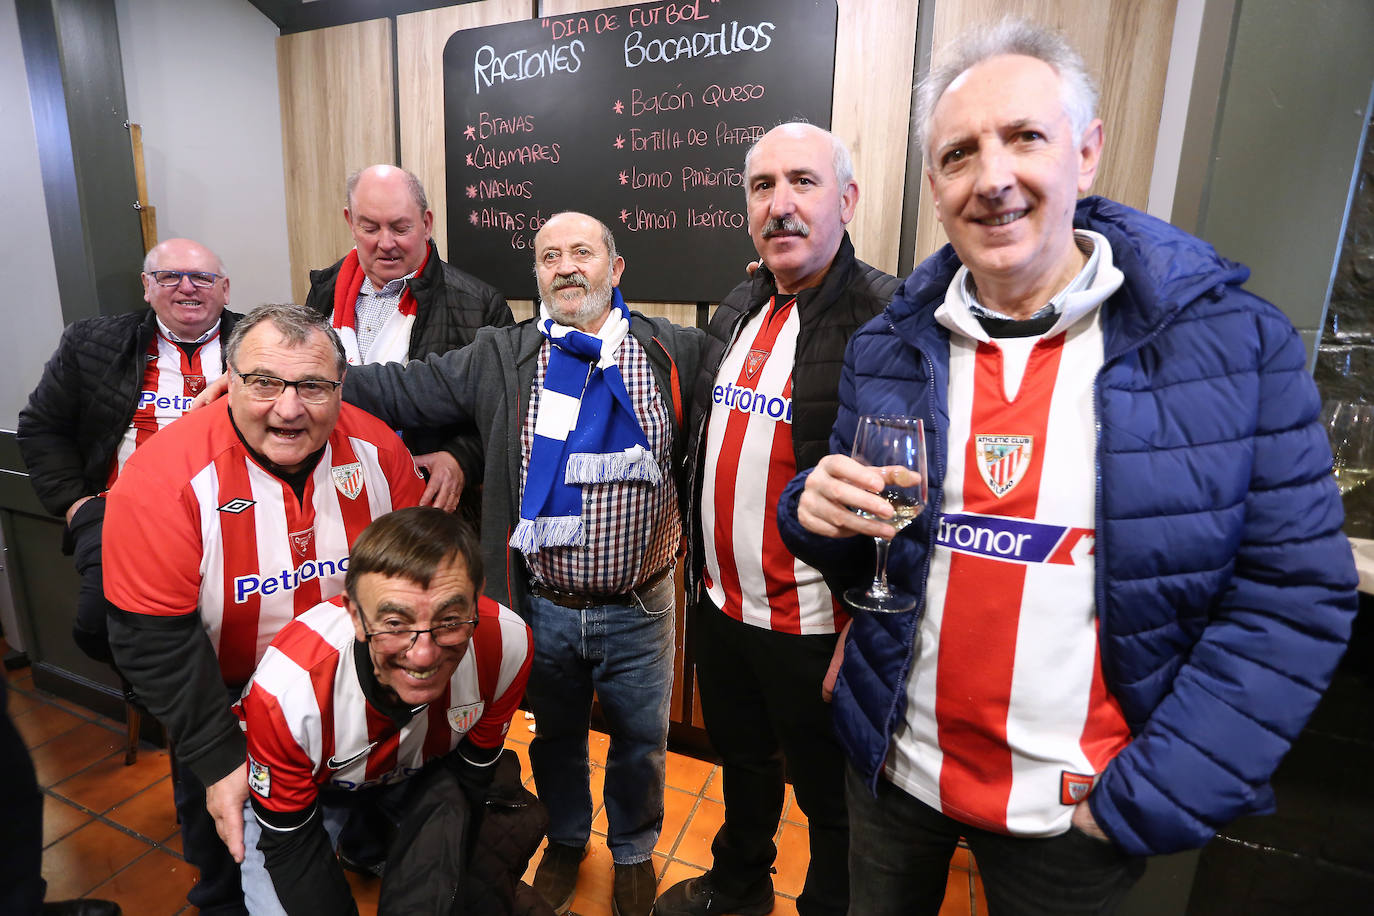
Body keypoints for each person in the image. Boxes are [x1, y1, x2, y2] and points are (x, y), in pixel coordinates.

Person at [778, 19, 1358, 916]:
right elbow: (874, 559)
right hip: (894, 774)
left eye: (1025, 138)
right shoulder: (889, 346)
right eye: (960, 154)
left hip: (1079, 813)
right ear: (935, 187)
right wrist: (812, 517)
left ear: (1085, 155)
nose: (994, 177)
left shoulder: (1230, 344)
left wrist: (1156, 795)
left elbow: (1293, 595)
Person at [337, 211, 703, 916]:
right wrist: (307, 376)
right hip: (545, 607)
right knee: (557, 738)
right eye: (548, 257)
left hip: (644, 605)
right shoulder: (501, 356)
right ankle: (566, 839)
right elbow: (400, 387)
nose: (565, 267)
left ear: (615, 269)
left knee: (640, 742)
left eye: (582, 253)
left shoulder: (674, 351)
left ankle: (632, 848)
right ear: (536, 276)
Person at [103, 304, 426, 915]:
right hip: (221, 706)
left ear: (340, 387)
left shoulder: (378, 450)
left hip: (356, 699)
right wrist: (219, 760)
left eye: (312, 385)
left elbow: (421, 580)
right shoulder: (161, 478)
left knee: (343, 842)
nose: (289, 407)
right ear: (229, 380)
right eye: (265, 382)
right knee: (229, 869)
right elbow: (152, 638)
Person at [655, 123, 898, 916]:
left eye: (803, 182)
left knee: (830, 799)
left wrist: (866, 623)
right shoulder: (742, 301)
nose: (780, 205)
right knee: (744, 762)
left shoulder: (885, 316)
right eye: (762, 187)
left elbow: (906, 498)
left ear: (848, 200)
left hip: (817, 624)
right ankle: (737, 885)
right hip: (724, 608)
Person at [237, 507, 536, 915]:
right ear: (356, 616)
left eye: (450, 619)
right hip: (310, 790)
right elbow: (290, 846)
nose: (424, 653)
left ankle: (369, 844)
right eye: (395, 623)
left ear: (477, 597)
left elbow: (473, 776)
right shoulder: (288, 695)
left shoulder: (508, 644)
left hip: (413, 774)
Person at [17, 238, 238, 667]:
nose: (187, 288)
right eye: (169, 276)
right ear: (146, 286)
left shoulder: (261, 344)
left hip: (233, 512)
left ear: (225, 289)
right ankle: (170, 698)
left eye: (202, 278)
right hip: (122, 515)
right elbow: (41, 427)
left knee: (242, 619)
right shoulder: (91, 343)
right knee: (97, 627)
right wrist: (77, 506)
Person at [306, 164, 514, 514]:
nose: (385, 243)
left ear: (427, 222)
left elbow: (505, 412)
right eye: (369, 227)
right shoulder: (324, 290)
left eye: (401, 228)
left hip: (422, 502)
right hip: (330, 492)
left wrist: (461, 458)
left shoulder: (479, 304)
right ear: (349, 221)